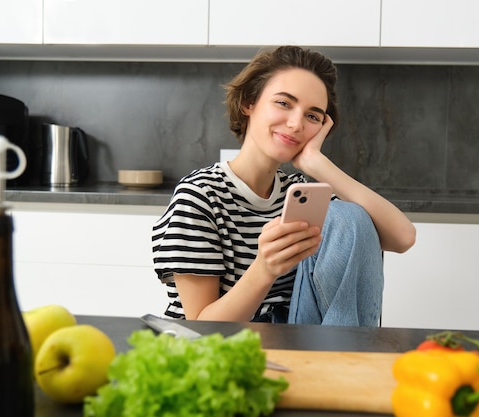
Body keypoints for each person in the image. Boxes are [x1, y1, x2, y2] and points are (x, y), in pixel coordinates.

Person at [152, 45, 416, 326]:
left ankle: (345, 354)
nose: (295, 124)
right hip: (223, 346)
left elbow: (403, 237)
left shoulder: (300, 192)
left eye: (312, 116)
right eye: (284, 103)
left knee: (351, 217)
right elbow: (201, 327)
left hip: (293, 340)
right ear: (249, 103)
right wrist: (265, 269)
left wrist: (318, 165)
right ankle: (346, 356)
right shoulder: (200, 196)